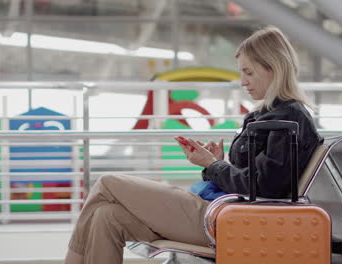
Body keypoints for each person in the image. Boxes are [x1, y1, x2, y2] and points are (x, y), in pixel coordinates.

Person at [64, 26, 323, 264]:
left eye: (249, 72)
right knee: (106, 217)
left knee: (108, 182)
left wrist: (214, 165)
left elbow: (267, 187)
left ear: (274, 68)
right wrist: (218, 163)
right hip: (223, 210)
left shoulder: (289, 118)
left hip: (230, 218)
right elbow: (261, 178)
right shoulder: (269, 115)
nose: (243, 81)